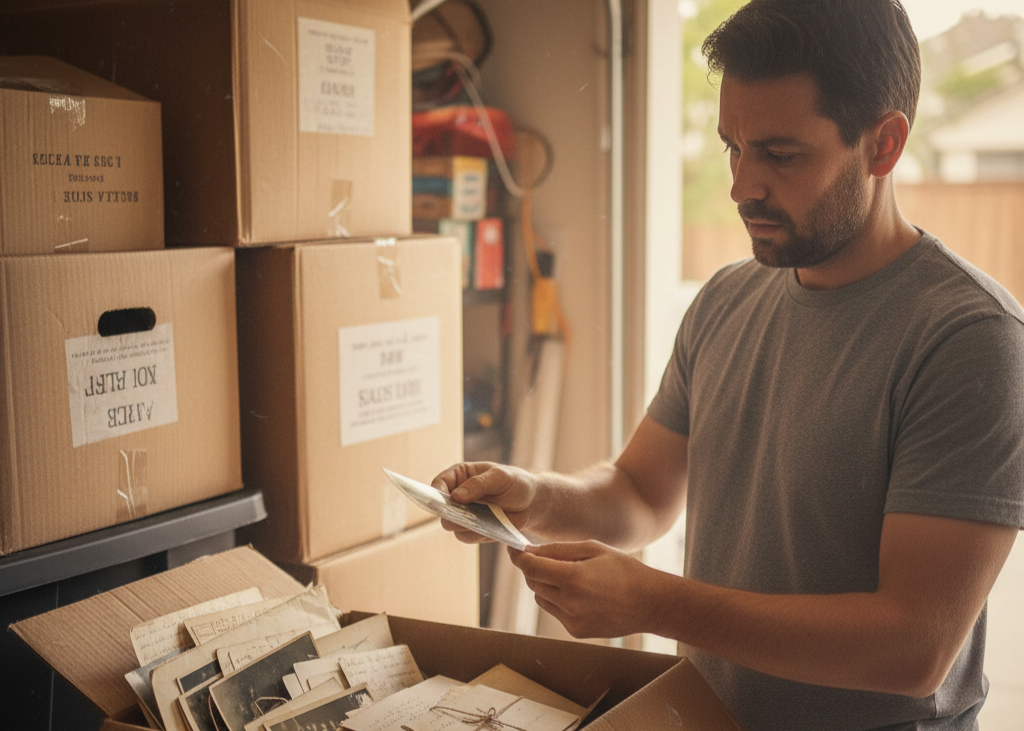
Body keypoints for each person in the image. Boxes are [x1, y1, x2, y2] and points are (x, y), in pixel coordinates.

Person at [431, 1, 1024, 728]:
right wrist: (533, 495)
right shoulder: (726, 299)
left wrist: (655, 600)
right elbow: (640, 491)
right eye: (731, 148)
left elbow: (913, 645)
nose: (742, 185)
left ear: (884, 144)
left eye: (779, 154)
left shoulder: (970, 337)